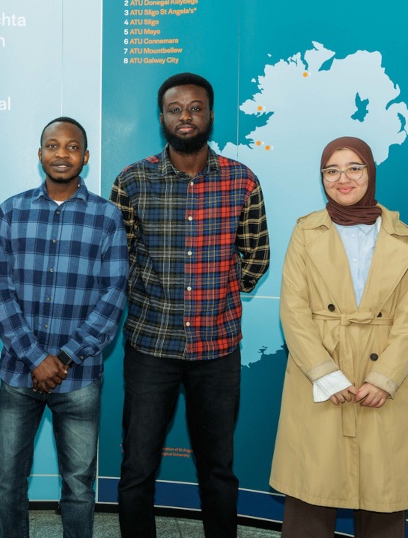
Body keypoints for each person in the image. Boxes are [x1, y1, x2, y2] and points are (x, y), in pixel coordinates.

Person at [111, 72, 270, 538]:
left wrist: (219, 290)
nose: (186, 116)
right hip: (150, 346)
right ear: (161, 117)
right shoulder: (133, 180)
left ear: (211, 115)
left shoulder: (242, 180)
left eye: (196, 108)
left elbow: (256, 255)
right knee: (138, 466)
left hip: (218, 348)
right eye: (176, 108)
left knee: (218, 468)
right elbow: (117, 260)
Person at [270, 137, 408, 538]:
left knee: (382, 498)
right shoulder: (305, 232)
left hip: (380, 383)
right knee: (311, 493)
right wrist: (326, 374)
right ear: (322, 178)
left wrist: (384, 379)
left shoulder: (401, 236)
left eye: (355, 167)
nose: (343, 178)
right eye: (332, 170)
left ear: (370, 173)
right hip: (321, 378)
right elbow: (294, 311)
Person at [0, 117, 128, 538]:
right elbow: (0, 289)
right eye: (53, 145)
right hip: (19, 373)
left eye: (72, 148)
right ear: (39, 154)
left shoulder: (106, 217)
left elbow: (113, 294)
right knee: (9, 481)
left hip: (79, 376)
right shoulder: (11, 211)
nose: (61, 154)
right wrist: (35, 357)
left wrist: (64, 357)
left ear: (85, 157)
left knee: (79, 486)